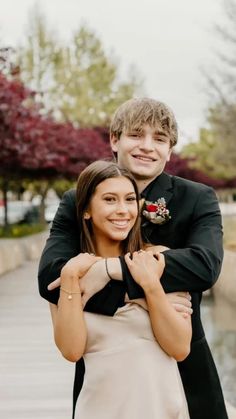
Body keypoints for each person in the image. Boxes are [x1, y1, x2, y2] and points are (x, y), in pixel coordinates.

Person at [38, 98, 228, 419]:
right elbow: (51, 278)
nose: (147, 147)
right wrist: (147, 294)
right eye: (136, 135)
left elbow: (204, 267)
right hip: (104, 377)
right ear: (115, 139)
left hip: (185, 371)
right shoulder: (77, 199)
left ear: (170, 150)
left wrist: (110, 270)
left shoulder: (198, 198)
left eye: (159, 139)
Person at [50, 160, 191, 418]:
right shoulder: (72, 273)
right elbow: (71, 350)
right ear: (86, 210)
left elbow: (180, 347)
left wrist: (150, 287)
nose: (123, 210)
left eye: (129, 199)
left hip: (161, 409)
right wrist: (70, 276)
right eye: (110, 200)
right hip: (100, 409)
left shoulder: (158, 260)